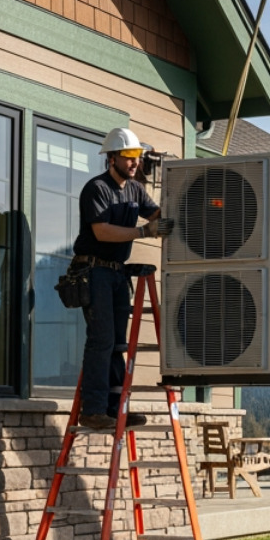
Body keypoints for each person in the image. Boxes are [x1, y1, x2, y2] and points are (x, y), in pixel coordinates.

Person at [70, 127, 174, 430]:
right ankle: (93, 410)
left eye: (137, 156)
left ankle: (115, 410)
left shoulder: (135, 190)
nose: (134, 162)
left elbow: (158, 216)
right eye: (128, 156)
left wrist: (182, 198)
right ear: (111, 158)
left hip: (116, 272)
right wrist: (143, 232)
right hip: (94, 271)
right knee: (101, 340)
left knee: (117, 344)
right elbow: (102, 231)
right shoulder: (97, 188)